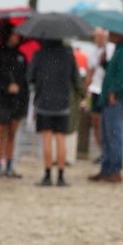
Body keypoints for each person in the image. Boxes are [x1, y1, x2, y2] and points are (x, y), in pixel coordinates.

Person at [27, 39, 80, 186]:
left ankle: (47, 175)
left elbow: (30, 77)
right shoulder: (68, 56)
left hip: (44, 103)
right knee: (61, 139)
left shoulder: (39, 55)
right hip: (63, 103)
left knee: (47, 139)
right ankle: (61, 176)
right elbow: (75, 78)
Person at [90, 31, 123, 183]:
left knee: (114, 135)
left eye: (112, 33)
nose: (109, 35)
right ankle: (106, 168)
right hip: (108, 98)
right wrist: (105, 63)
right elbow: (114, 71)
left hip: (116, 99)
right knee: (106, 135)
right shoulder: (119, 49)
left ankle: (115, 170)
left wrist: (114, 91)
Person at [0, 25, 28, 177]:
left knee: (12, 133)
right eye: (13, 34)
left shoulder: (21, 56)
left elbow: (25, 79)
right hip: (1, 100)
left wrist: (21, 92)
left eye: (18, 35)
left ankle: (9, 165)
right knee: (0, 131)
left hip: (18, 101)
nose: (15, 38)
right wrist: (6, 88)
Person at [82, 27, 112, 159]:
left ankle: (108, 151)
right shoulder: (93, 51)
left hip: (107, 90)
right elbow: (90, 71)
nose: (97, 39)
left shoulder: (111, 49)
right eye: (95, 37)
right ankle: (102, 151)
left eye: (99, 37)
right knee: (96, 122)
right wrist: (85, 92)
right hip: (96, 89)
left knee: (107, 122)